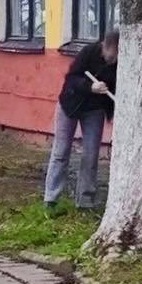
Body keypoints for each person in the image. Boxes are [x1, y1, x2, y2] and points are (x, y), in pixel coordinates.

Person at [43, 30, 119, 210]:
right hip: (70, 104)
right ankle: (51, 199)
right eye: (113, 54)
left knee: (91, 154)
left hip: (95, 110)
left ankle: (85, 201)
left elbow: (117, 90)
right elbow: (71, 78)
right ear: (105, 46)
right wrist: (90, 86)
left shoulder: (120, 64)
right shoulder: (88, 52)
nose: (114, 59)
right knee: (61, 151)